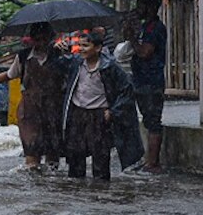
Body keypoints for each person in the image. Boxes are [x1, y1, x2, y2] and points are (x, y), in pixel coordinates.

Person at [0, 22, 65, 170]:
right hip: (30, 109)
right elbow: (8, 75)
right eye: (37, 40)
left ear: (51, 38)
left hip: (53, 108)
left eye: (44, 39)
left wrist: (65, 54)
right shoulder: (24, 56)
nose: (41, 43)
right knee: (31, 149)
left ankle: (50, 183)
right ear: (32, 39)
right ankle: (33, 182)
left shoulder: (60, 55)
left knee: (52, 153)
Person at [60, 27, 142, 180]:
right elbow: (57, 66)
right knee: (76, 152)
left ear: (98, 48)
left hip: (99, 114)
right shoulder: (76, 63)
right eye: (80, 45)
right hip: (78, 112)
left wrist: (113, 111)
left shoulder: (109, 67)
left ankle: (101, 189)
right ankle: (76, 188)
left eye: (86, 46)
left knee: (100, 154)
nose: (81, 49)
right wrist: (57, 51)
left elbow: (127, 90)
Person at [131, 0, 168, 173]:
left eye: (141, 4)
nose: (138, 8)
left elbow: (145, 52)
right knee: (147, 120)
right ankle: (149, 160)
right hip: (142, 80)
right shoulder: (146, 27)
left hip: (151, 81)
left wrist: (132, 41)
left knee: (153, 121)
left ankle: (153, 163)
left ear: (150, 6)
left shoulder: (155, 28)